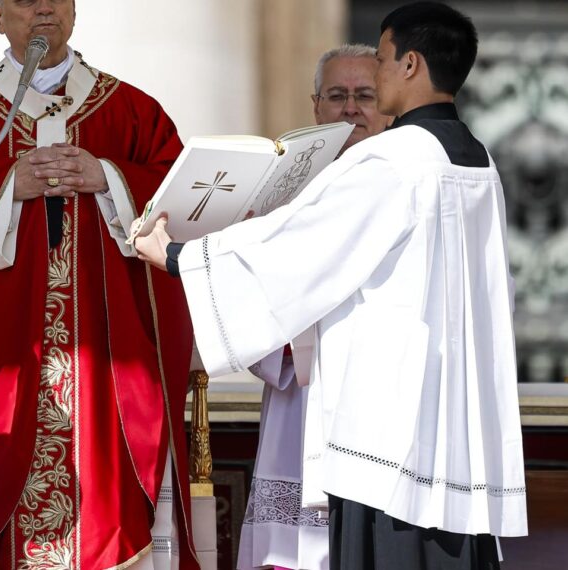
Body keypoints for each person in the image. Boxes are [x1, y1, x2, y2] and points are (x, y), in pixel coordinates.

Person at [135, 3, 527, 569]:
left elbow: (298, 248)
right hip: (452, 421)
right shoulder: (475, 159)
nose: (379, 74)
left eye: (385, 61)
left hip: (389, 433)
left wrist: (176, 256)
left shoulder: (390, 161)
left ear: (412, 64)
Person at [0, 1, 196, 568]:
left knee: (105, 494)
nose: (43, 9)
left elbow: (183, 197)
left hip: (106, 359)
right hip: (1, 354)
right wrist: (7, 187)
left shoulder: (131, 110)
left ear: (75, 12)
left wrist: (108, 177)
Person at [237, 44, 391, 570]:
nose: (351, 109)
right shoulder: (284, 192)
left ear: (388, 103)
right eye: (337, 96)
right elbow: (251, 296)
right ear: (315, 106)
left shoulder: (415, 179)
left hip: (385, 402)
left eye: (365, 95)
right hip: (302, 400)